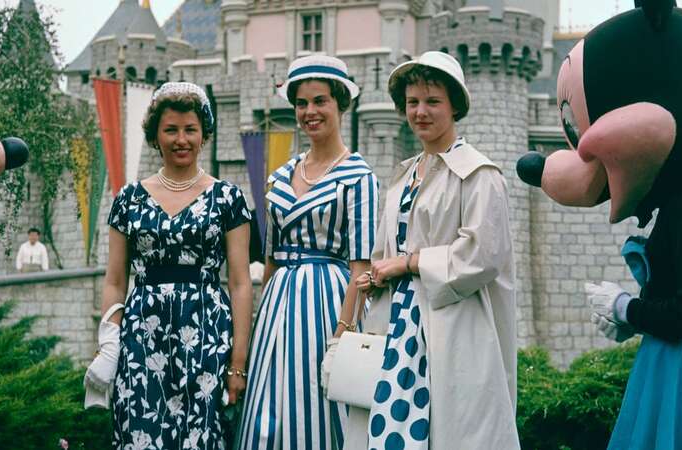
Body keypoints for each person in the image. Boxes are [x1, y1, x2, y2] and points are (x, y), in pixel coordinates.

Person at [515, 2, 682, 448]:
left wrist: (629, 308)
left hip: (681, 371)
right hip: (670, 361)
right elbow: (678, 303)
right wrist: (634, 319)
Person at [352, 51, 520, 449]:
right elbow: (386, 248)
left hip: (453, 323)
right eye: (413, 102)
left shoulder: (479, 175)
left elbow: (483, 256)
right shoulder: (404, 174)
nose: (420, 112)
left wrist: (408, 263)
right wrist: (378, 274)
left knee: (454, 432)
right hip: (399, 324)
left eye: (432, 102)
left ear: (454, 106)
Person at [84, 82, 253, 449]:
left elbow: (240, 283)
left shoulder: (228, 199)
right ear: (155, 134)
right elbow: (114, 281)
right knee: (140, 433)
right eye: (171, 129)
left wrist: (238, 363)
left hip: (207, 337)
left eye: (190, 129)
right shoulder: (128, 199)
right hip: (142, 338)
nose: (181, 139)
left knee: (202, 438)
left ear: (204, 134)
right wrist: (109, 344)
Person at [234, 55, 378, 450]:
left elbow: (361, 267)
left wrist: (342, 337)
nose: (309, 112)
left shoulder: (359, 176)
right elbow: (271, 259)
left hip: (329, 303)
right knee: (271, 406)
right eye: (301, 103)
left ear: (340, 105)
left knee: (320, 406)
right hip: (279, 303)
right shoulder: (280, 175)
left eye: (320, 101)